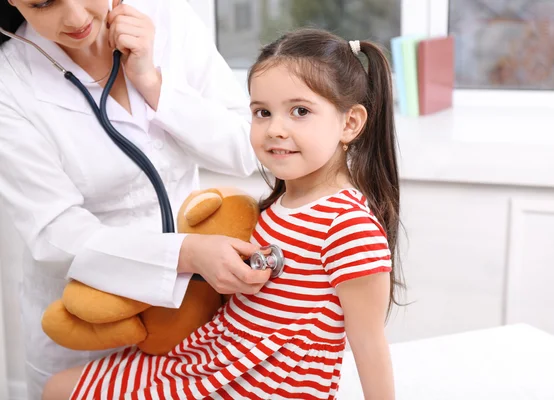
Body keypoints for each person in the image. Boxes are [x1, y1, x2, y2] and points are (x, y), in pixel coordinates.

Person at [42, 27, 403, 400]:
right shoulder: (276, 207)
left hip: (263, 386)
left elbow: (369, 344)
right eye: (262, 112)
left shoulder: (348, 226)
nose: (275, 129)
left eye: (300, 111)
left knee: (61, 392)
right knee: (57, 388)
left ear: (350, 123)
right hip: (217, 361)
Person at [0, 0, 273, 398]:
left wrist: (153, 83)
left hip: (190, 312)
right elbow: (54, 231)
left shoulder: (169, 18)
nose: (75, 18)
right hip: (84, 324)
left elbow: (247, 148)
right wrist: (188, 253)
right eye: (42, 3)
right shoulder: (11, 82)